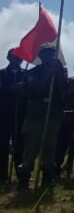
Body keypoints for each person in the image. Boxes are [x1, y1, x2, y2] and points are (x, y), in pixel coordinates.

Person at [16, 43, 67, 190]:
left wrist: (57, 75)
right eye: (45, 53)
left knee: (50, 149)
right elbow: (35, 91)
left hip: (52, 116)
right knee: (31, 149)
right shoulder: (32, 73)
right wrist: (47, 76)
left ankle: (47, 179)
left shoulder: (59, 72)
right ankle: (24, 179)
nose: (49, 56)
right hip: (35, 116)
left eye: (51, 53)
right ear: (40, 56)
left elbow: (64, 90)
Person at [0, 49, 27, 185]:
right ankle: (2, 175)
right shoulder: (2, 74)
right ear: (8, 58)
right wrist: (11, 89)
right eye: (14, 57)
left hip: (20, 115)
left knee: (19, 146)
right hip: (4, 115)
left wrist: (23, 90)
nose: (17, 59)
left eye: (19, 57)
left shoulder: (25, 75)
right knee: (2, 145)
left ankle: (20, 173)